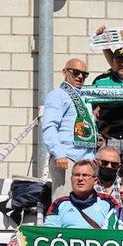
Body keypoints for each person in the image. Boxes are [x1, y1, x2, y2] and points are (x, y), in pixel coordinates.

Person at [43, 58, 98, 199]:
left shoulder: (85, 98)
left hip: (86, 161)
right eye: (76, 72)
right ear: (65, 72)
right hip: (67, 158)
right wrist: (59, 153)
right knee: (63, 202)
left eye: (84, 74)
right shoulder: (58, 95)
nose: (80, 77)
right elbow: (49, 126)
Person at [44, 160, 118, 229]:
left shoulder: (109, 202)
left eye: (85, 175)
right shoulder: (58, 204)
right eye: (76, 175)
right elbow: (50, 233)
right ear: (71, 179)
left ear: (95, 181)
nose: (80, 179)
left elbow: (116, 231)